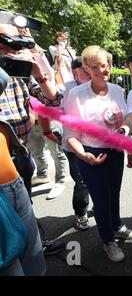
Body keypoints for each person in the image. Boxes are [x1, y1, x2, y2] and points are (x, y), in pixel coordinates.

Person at [65, 45, 132, 262]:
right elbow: (70, 134)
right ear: (86, 68)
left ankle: (115, 226)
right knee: (101, 199)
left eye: (104, 66)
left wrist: (128, 145)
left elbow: (125, 121)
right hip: (91, 154)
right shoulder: (76, 95)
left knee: (113, 193)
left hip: (116, 152)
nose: (100, 70)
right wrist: (84, 155)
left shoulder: (117, 90)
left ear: (110, 66)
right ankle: (108, 241)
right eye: (94, 66)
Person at [0, 23, 65, 255]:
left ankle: (35, 248)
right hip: (1, 158)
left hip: (21, 152)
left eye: (18, 42)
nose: (16, 48)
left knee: (25, 205)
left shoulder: (21, 70)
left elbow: (53, 100)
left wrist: (40, 74)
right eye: (8, 42)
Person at [61, 57, 92, 230]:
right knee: (82, 181)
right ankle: (80, 213)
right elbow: (49, 103)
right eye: (84, 68)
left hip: (96, 143)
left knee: (98, 179)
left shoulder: (96, 85)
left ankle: (100, 206)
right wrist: (47, 131)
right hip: (74, 145)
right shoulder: (65, 88)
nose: (89, 71)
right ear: (75, 72)